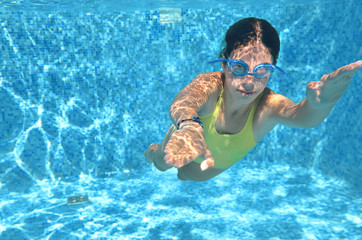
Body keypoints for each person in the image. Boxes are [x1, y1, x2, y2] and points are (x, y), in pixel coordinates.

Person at [145, 17, 361, 182]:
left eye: (262, 70)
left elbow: (303, 117)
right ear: (224, 63)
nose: (249, 81)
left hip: (210, 167)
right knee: (161, 164)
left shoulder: (268, 105)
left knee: (184, 177)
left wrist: (322, 102)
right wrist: (189, 126)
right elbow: (186, 100)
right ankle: (154, 151)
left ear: (272, 69)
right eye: (239, 67)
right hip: (184, 138)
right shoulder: (210, 85)